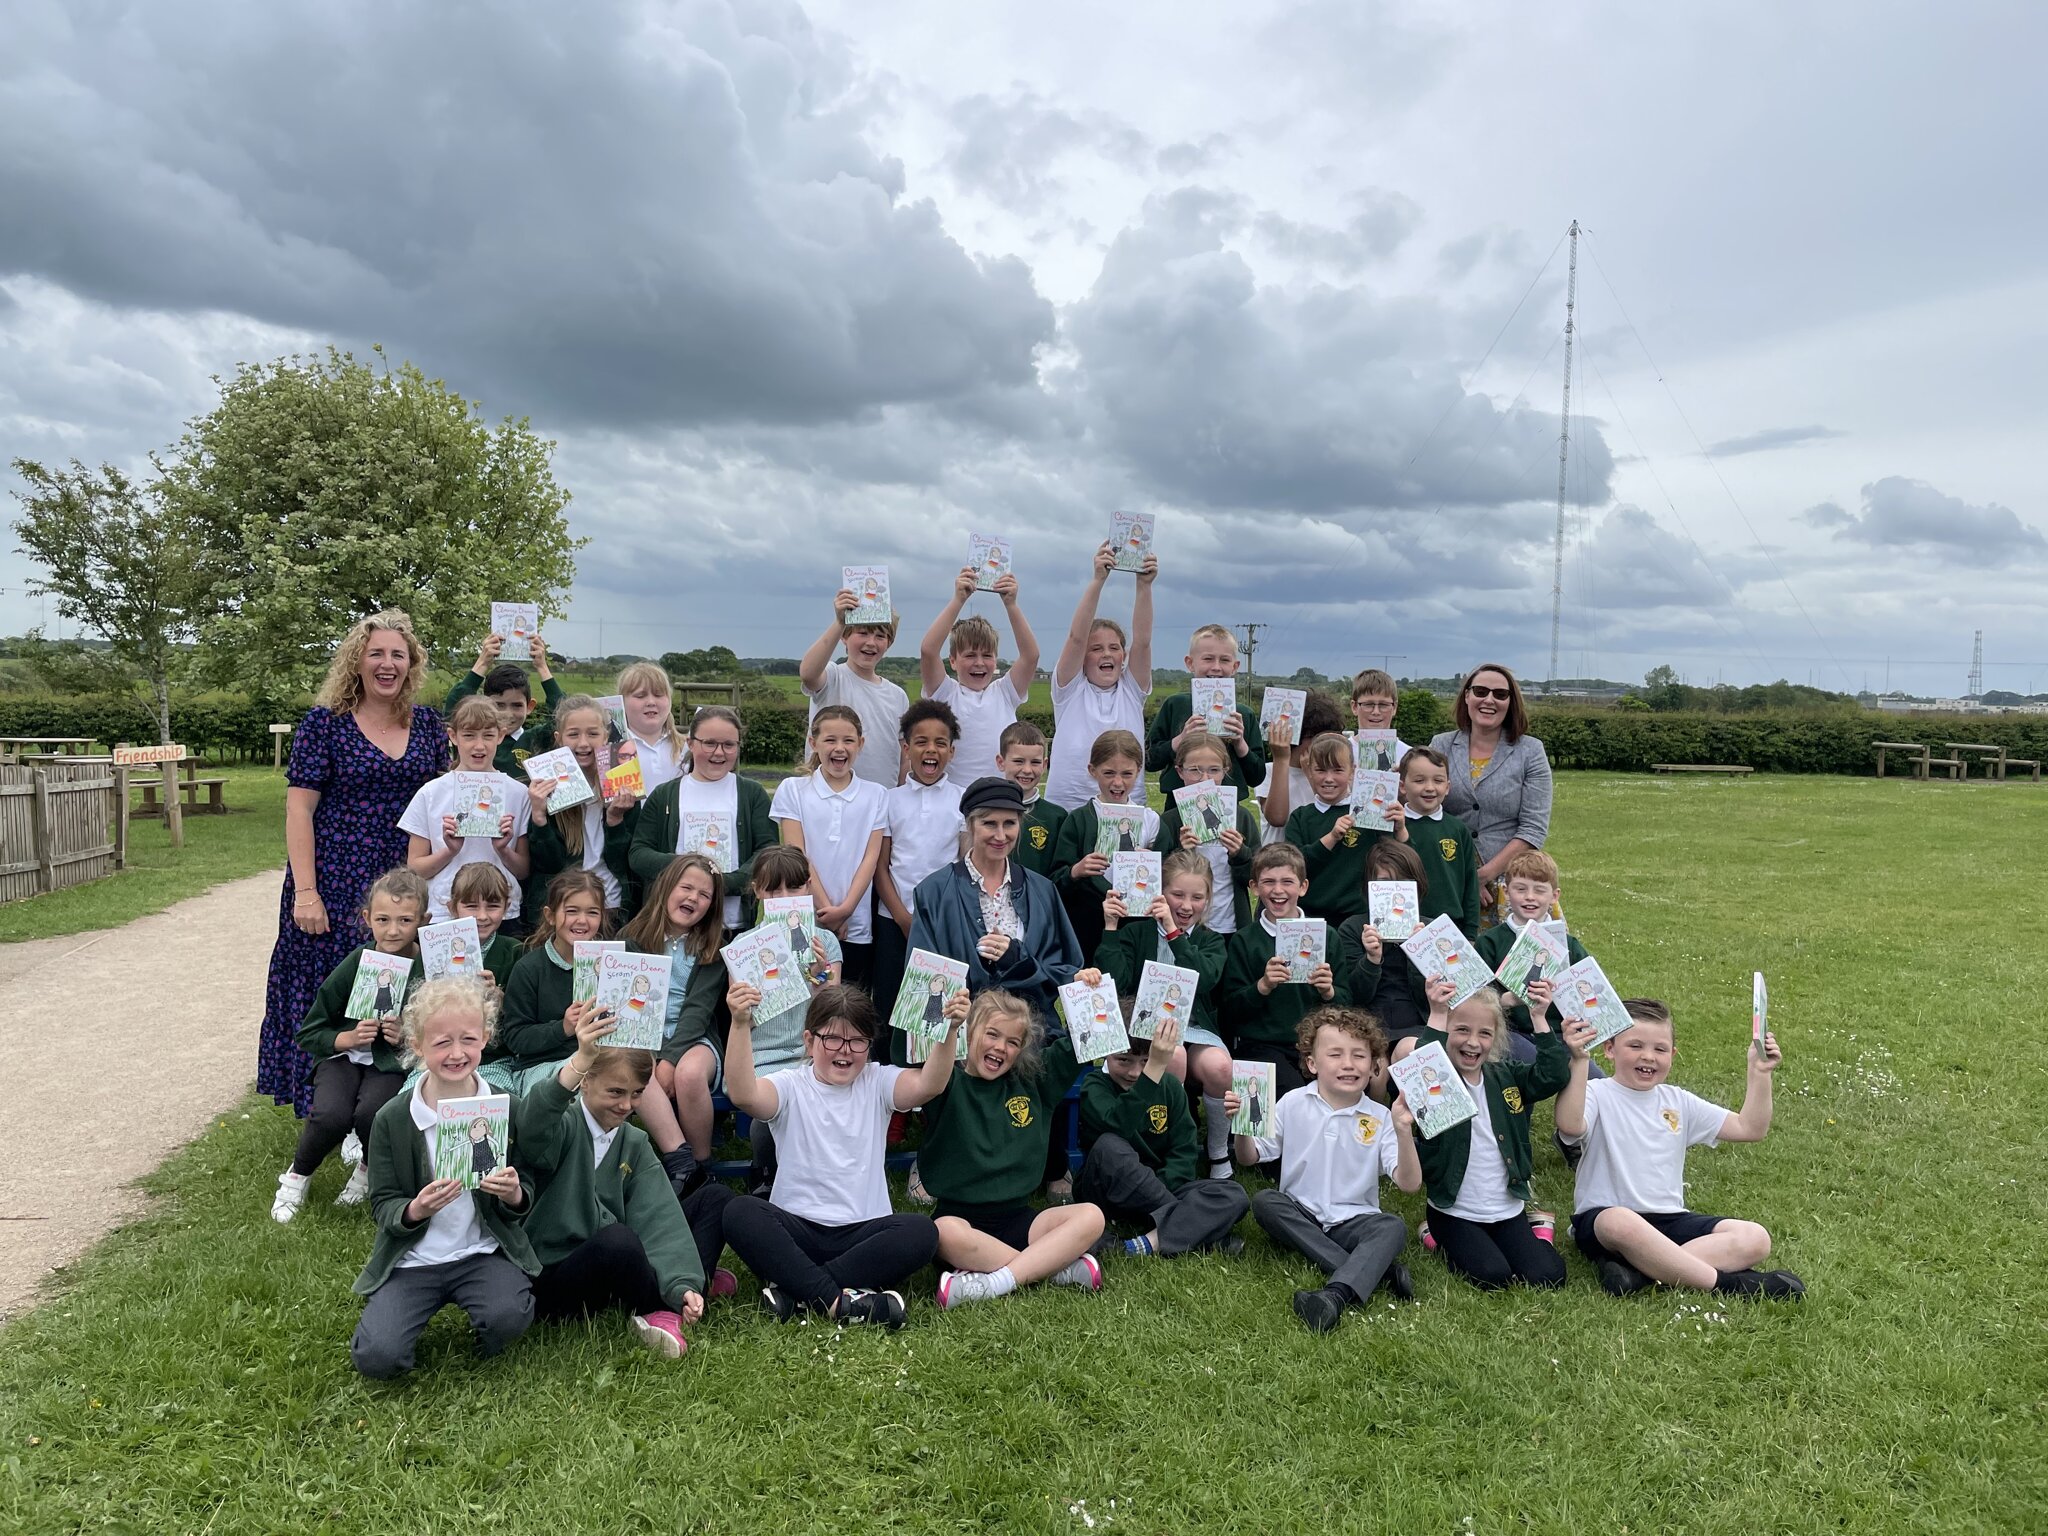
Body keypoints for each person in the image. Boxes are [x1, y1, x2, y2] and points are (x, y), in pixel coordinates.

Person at [260, 610, 448, 1116]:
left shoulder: (428, 724)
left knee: (393, 992)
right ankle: (324, 1108)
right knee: (330, 992)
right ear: (356, 662)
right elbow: (299, 808)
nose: (387, 664)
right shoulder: (325, 724)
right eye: (377, 654)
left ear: (411, 665)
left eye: (398, 655)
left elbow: (447, 796)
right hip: (334, 879)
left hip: (401, 884)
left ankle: (378, 1113)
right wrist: (306, 892)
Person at [723, 984, 959, 1328]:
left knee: (922, 1232)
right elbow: (745, 1095)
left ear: (869, 1044)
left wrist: (950, 1030)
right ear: (809, 1040)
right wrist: (740, 1023)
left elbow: (930, 1085)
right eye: (832, 1039)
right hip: (797, 1231)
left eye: (857, 1041)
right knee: (739, 1211)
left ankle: (797, 1292)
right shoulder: (791, 1085)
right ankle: (840, 1301)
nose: (844, 1052)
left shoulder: (877, 1081)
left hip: (862, 1234)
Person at [513, 1006, 734, 1360]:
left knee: (715, 1199)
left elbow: (658, 1213)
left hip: (616, 1251)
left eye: (636, 1094)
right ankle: (664, 1305)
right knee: (620, 1242)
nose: (626, 1105)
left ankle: (687, 1289)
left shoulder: (632, 1140)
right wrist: (578, 1061)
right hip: (555, 1272)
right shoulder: (563, 1125)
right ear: (585, 1081)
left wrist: (682, 1281)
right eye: (615, 1092)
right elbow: (532, 1125)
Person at [349, 976, 536, 1379]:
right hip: (414, 1260)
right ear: (416, 1046)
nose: (456, 1053)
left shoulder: (505, 1108)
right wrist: (415, 1209)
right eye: (441, 1043)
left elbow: (528, 1189)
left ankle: (490, 1316)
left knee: (508, 1317)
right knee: (378, 1356)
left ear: (486, 1038)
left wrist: (514, 1193)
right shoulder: (393, 1119)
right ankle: (393, 1316)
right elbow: (382, 1203)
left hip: (481, 1252)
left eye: (468, 1040)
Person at [1554, 998, 1804, 1299]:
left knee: (1756, 1238)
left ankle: (1639, 1273)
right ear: (1609, 1049)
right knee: (1619, 1221)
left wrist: (1760, 1072)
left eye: (1660, 1049)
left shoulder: (1678, 1101)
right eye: (1635, 1046)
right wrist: (1580, 1061)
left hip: (1669, 1218)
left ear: (1672, 1054)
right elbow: (1569, 1125)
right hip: (1603, 1222)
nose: (1648, 1057)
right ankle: (1734, 1285)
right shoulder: (1596, 1093)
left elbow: (1750, 1128)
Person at [1236, 1006, 1420, 1333]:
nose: (1348, 1064)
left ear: (1375, 1065)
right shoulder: (1292, 1103)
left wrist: (1404, 1131)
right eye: (1335, 1054)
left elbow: (1409, 1184)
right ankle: (1376, 1272)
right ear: (1312, 1063)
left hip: (1354, 1220)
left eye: (1359, 1056)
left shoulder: (1379, 1118)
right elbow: (1250, 1158)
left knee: (1392, 1226)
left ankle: (1334, 1295)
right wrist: (1240, 1127)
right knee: (1265, 1202)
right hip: (1301, 1212)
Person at [926, 991, 1109, 1307]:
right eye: (992, 1034)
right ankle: (1053, 1268)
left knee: (1092, 1216)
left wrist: (1088, 992)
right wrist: (950, 1028)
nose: (1001, 1047)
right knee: (941, 1232)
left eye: (1013, 1041)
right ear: (970, 1032)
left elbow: (1085, 1041)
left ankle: (993, 1283)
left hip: (1021, 1220)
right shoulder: (943, 1083)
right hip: (961, 1224)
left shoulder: (1034, 1082)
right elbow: (917, 1062)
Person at [272, 869, 431, 1222]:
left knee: (375, 1114)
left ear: (424, 920)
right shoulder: (357, 962)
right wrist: (345, 1038)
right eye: (383, 919)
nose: (393, 930)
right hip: (342, 1058)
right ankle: (297, 1176)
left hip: (390, 1062)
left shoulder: (429, 967)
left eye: (406, 920)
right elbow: (311, 1030)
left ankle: (365, 1170)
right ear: (367, 919)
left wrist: (406, 1035)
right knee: (330, 1114)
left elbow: (438, 1027)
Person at [1404, 983, 1572, 1291]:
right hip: (1453, 1212)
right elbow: (1420, 1067)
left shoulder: (1505, 1074)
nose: (1473, 1042)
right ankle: (1432, 1235)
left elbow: (1554, 1075)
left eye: (1484, 1033)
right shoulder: (1439, 1082)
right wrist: (1438, 1013)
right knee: (1492, 1276)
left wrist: (1539, 1018)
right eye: (1462, 1030)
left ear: (1495, 1039)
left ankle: (1539, 1229)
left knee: (1548, 1276)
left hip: (1506, 1209)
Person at [1095, 850, 1232, 1177]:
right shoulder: (1137, 932)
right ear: (1160, 893)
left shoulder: (1210, 941)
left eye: (1197, 897)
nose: (1186, 906)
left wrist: (1174, 934)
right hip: (1143, 1027)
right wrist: (1111, 928)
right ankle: (1165, 1145)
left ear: (1208, 899)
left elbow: (1205, 979)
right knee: (1173, 1057)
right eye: (1177, 895)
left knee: (1220, 1066)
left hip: (1194, 1027)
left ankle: (1217, 1152)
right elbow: (1116, 982)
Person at [906, 777, 1085, 1026]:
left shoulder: (1043, 891)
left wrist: (1018, 959)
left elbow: (1064, 970)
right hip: (960, 1037)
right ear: (970, 825)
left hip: (1032, 1034)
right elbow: (923, 979)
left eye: (1009, 823)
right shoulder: (933, 892)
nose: (1000, 835)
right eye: (989, 823)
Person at [1078, 1014, 1249, 1257]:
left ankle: (1140, 1245)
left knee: (1234, 1195)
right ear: (1106, 1054)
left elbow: (1184, 1150)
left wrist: (1162, 1187)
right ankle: (1201, 1234)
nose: (1135, 1072)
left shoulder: (1169, 1087)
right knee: (1109, 1146)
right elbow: (1119, 1126)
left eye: (1147, 1061)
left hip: (1160, 1186)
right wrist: (1153, 1072)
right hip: (1107, 1193)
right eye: (1124, 1060)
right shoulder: (1095, 1085)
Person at [729, 845, 843, 1191]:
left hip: (813, 1052)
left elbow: (835, 1011)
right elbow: (742, 1021)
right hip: (763, 1056)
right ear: (757, 892)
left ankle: (820, 1173)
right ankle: (765, 1172)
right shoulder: (745, 945)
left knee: (820, 1093)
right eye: (773, 890)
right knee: (773, 1104)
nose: (783, 897)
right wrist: (740, 1005)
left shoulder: (825, 941)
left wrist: (820, 975)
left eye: (793, 888)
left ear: (808, 888)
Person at [769, 706, 889, 988]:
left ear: (860, 744)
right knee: (808, 1000)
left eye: (848, 740)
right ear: (813, 743)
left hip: (856, 927)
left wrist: (846, 910)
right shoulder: (793, 789)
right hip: (805, 923)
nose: (839, 748)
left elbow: (871, 858)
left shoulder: (877, 795)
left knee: (848, 1007)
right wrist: (828, 912)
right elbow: (797, 855)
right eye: (830, 740)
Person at [621, 855, 729, 1167]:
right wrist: (657, 1058)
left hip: (694, 1038)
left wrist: (669, 1060)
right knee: (639, 1068)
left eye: (704, 894)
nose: (693, 897)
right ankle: (680, 1160)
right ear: (667, 888)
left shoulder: (711, 948)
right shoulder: (632, 939)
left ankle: (701, 1158)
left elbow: (698, 1010)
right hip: (643, 1036)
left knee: (690, 1074)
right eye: (686, 887)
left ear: (711, 905)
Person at [628, 705, 774, 929]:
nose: (719, 752)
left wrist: (725, 883)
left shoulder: (752, 794)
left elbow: (768, 852)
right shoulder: (665, 794)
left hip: (732, 925)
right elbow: (638, 854)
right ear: (691, 743)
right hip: (674, 926)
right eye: (709, 743)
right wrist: (683, 871)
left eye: (728, 745)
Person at [873, 700, 966, 1051]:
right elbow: (880, 867)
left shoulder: (961, 801)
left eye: (940, 743)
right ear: (906, 747)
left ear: (952, 752)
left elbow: (964, 863)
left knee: (938, 1005)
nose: (931, 750)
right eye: (922, 741)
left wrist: (936, 919)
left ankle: (933, 1083)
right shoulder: (889, 800)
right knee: (890, 1003)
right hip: (893, 921)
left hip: (944, 923)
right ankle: (889, 1084)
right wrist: (901, 917)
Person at [1430, 664, 1554, 926]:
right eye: (1480, 691)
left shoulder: (1531, 751)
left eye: (1500, 694)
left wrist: (1482, 876)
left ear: (1511, 702)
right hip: (1448, 877)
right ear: (1466, 696)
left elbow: (1533, 828)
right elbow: (1423, 809)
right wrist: (1462, 876)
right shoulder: (1440, 745)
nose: (1489, 700)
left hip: (1511, 884)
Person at [1218, 844, 1343, 1098]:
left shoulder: (1326, 936)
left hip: (1315, 1045)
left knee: (1330, 1096)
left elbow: (1348, 1004)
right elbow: (1229, 1011)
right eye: (1268, 882)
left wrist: (1329, 992)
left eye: (1287, 881)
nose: (1277, 890)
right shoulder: (1245, 940)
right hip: (1260, 1045)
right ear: (1254, 887)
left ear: (1303, 887)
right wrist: (1261, 986)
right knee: (1292, 1098)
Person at [400, 696, 532, 926]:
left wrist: (503, 849)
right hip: (444, 911)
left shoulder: (519, 793)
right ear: (453, 736)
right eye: (469, 735)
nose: (479, 746)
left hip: (502, 912)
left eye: (488, 736)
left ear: (501, 736)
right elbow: (416, 868)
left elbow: (523, 871)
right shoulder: (430, 793)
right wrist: (449, 851)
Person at [1047, 540, 1155, 810]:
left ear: (1123, 656)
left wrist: (1144, 586)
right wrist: (1098, 580)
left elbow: (1142, 641)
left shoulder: (1132, 690)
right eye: (1095, 649)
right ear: (1083, 657)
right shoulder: (1068, 690)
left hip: (1125, 805)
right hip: (1069, 805)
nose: (1106, 654)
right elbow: (1075, 637)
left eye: (1114, 648)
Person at [919, 566, 1040, 790]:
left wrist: (1011, 605)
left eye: (987, 655)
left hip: (999, 801)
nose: (979, 663)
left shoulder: (1005, 692)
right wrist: (958, 599)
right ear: (953, 661)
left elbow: (1030, 655)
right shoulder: (945, 692)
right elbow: (928, 650)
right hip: (954, 803)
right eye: (970, 655)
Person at [523, 694, 639, 925]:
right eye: (573, 734)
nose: (583, 743)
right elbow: (549, 864)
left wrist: (615, 820)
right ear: (559, 738)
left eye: (593, 734)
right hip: (563, 905)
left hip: (611, 904)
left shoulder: (623, 783)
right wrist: (539, 817)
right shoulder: (545, 785)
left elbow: (624, 863)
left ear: (606, 737)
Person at [494, 871, 614, 1087]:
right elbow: (514, 1037)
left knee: (638, 1068)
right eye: (571, 911)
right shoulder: (529, 968)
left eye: (592, 912)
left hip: (602, 1060)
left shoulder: (615, 965)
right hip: (541, 1066)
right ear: (550, 916)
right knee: (582, 1077)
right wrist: (563, 1027)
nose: (582, 920)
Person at [1051, 729, 1162, 959]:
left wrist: (1151, 862)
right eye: (1109, 773)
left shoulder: (1150, 820)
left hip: (1137, 928)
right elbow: (1055, 881)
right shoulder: (1079, 820)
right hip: (1088, 925)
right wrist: (1076, 871)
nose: (1118, 782)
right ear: (1093, 771)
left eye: (1127, 774)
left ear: (1138, 771)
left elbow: (1169, 873)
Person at [1473, 850, 1594, 1058]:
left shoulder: (1568, 944)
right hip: (1512, 1034)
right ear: (1506, 890)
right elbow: (1476, 1001)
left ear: (1554, 896)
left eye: (1539, 890)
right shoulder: (1491, 942)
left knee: (1592, 1083)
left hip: (1562, 1034)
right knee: (1545, 1069)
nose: (1530, 897)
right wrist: (1509, 999)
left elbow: (1590, 991)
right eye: (1520, 889)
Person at [1286, 731, 1407, 924]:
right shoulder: (1300, 817)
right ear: (1309, 771)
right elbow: (1294, 868)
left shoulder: (1371, 813)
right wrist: (1331, 838)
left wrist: (1400, 829)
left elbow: (1402, 863)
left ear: (1353, 771)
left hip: (1360, 918)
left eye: (1337, 770)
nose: (1328, 778)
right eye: (1320, 770)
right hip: (1310, 917)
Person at [800, 581, 908, 788]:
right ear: (844, 637)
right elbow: (808, 674)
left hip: (880, 802)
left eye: (880, 636)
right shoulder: (833, 676)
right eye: (862, 633)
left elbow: (903, 755)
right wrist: (840, 621)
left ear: (889, 643)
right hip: (827, 796)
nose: (871, 642)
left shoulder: (898, 696)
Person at [1145, 624, 1267, 799]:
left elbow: (1257, 777)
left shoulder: (1243, 715)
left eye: (1224, 660)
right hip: (1178, 804)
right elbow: (1149, 760)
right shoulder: (1175, 705)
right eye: (1208, 659)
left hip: (1229, 806)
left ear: (1235, 666)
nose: (1216, 667)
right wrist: (1181, 739)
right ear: (1190, 663)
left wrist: (1240, 744)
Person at [1156, 734, 1258, 937]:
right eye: (1194, 770)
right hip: (1182, 926)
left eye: (1214, 770)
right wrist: (1180, 851)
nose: (1204, 779)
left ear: (1225, 772)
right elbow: (1156, 878)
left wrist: (1240, 853)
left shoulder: (1241, 818)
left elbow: (1257, 878)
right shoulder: (1169, 821)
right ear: (1180, 771)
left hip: (1229, 924)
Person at [1336, 839, 1431, 1052]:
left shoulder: (1431, 929)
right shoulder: (1352, 929)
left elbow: (1444, 995)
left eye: (1404, 883)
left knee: (1408, 1049)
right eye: (1385, 883)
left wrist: (1422, 952)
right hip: (1366, 1026)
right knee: (1376, 1070)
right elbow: (1352, 996)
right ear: (1371, 887)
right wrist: (1371, 960)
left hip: (1419, 1026)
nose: (1395, 892)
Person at [445, 628, 563, 775]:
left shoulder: (536, 739)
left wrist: (542, 667)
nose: (508, 713)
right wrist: (482, 663)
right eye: (498, 705)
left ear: (530, 706)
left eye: (517, 705)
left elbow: (564, 716)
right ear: (485, 703)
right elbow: (453, 709)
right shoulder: (471, 738)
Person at [1397, 746, 1482, 939]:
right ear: (1402, 786)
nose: (1429, 787)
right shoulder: (1392, 826)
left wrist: (1470, 933)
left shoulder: (1457, 829)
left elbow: (1470, 883)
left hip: (1450, 927)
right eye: (1419, 780)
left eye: (1438, 781)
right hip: (1403, 928)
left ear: (1448, 787)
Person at [1256, 690, 1347, 847]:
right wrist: (1281, 758)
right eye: (1315, 737)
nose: (1323, 744)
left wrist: (1312, 776)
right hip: (1279, 860)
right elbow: (1277, 818)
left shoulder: (1333, 776)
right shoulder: (1269, 770)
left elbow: (1330, 813)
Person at [997, 721, 1068, 879]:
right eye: (1018, 761)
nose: (1027, 770)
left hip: (1038, 901)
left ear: (1044, 765)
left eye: (1035, 762)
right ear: (1001, 762)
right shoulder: (987, 811)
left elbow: (1060, 874)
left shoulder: (1056, 817)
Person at [613, 662, 688, 793]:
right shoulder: (610, 749)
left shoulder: (686, 748)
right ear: (622, 701)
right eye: (640, 696)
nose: (651, 702)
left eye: (659, 695)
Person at [448, 864, 522, 993]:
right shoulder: (431, 950)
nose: (482, 916)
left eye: (493, 906)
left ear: (506, 907)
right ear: (453, 908)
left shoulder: (516, 952)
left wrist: (497, 995)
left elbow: (523, 1008)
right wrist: (425, 994)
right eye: (472, 906)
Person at [1348, 668, 1410, 772]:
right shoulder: (1339, 753)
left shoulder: (1409, 755)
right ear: (1354, 707)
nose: (1376, 711)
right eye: (1368, 704)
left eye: (1383, 705)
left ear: (1394, 707)